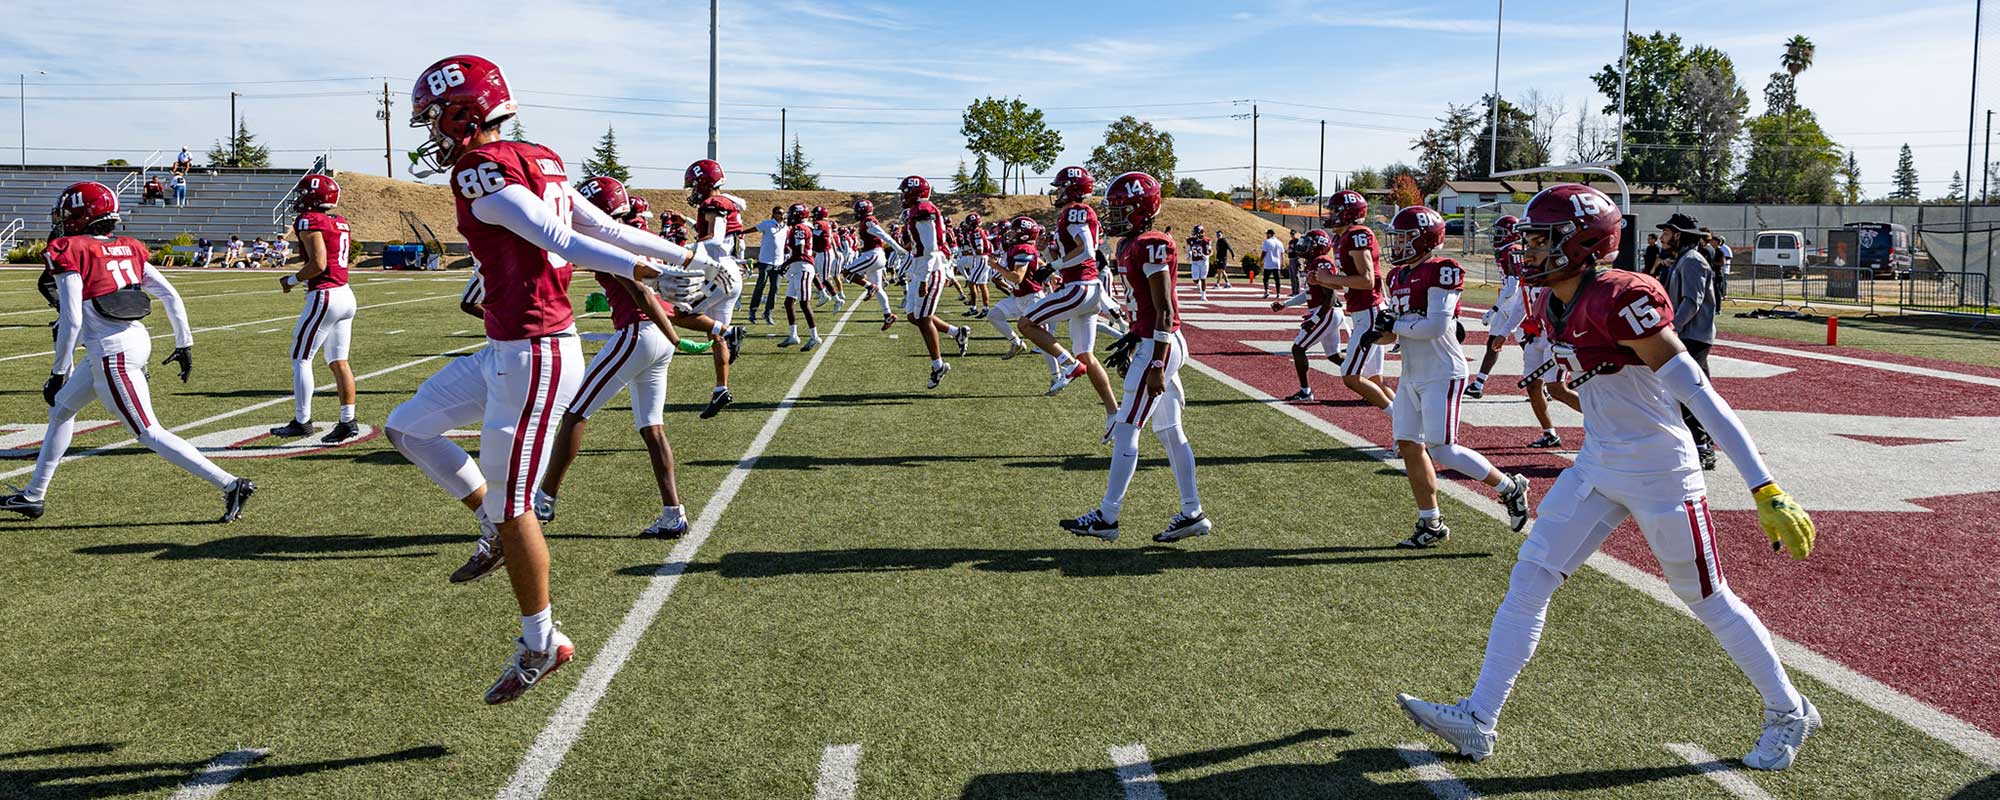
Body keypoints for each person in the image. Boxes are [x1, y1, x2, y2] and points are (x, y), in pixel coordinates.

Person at [1396, 183, 1821, 772]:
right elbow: (1595, 388)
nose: (1529, 250)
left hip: (1661, 472)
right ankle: (1479, 718)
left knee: (1706, 598)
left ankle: (1789, 709)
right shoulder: (1552, 302)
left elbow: (1699, 393)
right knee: (1531, 576)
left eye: (1542, 239)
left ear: (1582, 242)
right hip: (1598, 463)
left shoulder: (1623, 296)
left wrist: (1763, 486)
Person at [383, 54, 711, 706]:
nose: (430, 133)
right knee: (408, 428)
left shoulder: (480, 167)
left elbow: (560, 235)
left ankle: (541, 640)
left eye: (432, 119)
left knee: (516, 507)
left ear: (462, 112)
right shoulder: (537, 157)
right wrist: (682, 256)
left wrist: (657, 271)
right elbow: (598, 227)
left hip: (534, 355)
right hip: (507, 348)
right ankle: (490, 529)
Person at [0, 181, 255, 523]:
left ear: (79, 214)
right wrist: (184, 342)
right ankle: (33, 496)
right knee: (61, 410)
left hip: (111, 352)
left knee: (148, 431)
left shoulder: (70, 247)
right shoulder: (129, 247)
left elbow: (72, 318)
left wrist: (59, 370)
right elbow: (170, 295)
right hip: (127, 341)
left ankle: (230, 483)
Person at [1059, 171, 1209, 544]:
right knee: (1171, 431)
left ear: (1143, 208)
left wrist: (1156, 361)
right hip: (1152, 340)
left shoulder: (1154, 243)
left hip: (1159, 343)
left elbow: (1163, 309)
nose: (1114, 215)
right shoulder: (1131, 243)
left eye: (1122, 208)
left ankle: (1107, 517)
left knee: (1127, 427)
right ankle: (1192, 513)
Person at [533, 189, 694, 537]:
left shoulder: (616, 243)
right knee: (652, 428)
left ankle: (544, 500)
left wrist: (674, 336)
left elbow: (641, 292)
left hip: (637, 332)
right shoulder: (630, 235)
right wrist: (671, 337)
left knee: (576, 412)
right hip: (653, 337)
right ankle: (673, 513)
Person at [1373, 205, 1530, 548]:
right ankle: (1431, 522)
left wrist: (1394, 324)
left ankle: (1509, 487)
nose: (1396, 245)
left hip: (1443, 372)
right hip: (1413, 374)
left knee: (1442, 448)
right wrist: (1378, 332)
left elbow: (1437, 325)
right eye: (1395, 238)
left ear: (1425, 239)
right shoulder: (1396, 276)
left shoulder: (1442, 268)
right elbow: (1395, 334)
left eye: (1403, 238)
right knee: (1409, 444)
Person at [269, 174, 361, 444]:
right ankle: (347, 421)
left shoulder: (310, 220)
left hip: (325, 295)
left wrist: (291, 280)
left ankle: (302, 421)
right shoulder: (339, 221)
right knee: (339, 362)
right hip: (346, 294)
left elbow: (318, 264)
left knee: (300, 358)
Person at [1017, 166, 1113, 408]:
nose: (1058, 192)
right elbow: (1075, 254)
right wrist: (1051, 260)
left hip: (1080, 287)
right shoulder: (1074, 212)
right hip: (1087, 288)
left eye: (1061, 187)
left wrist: (1052, 267)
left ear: (1072, 189)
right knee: (1087, 355)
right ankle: (1114, 411)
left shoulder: (1076, 211)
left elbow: (1087, 250)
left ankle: (1068, 364)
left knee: (1026, 323)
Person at [1318, 191, 1394, 411]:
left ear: (1348, 213)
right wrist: (1324, 281)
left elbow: (1367, 280)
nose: (1330, 214)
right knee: (1375, 380)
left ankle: (1405, 427)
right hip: (1364, 310)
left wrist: (1329, 278)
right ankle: (1410, 431)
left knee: (1350, 376)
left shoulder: (1357, 234)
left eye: (1335, 210)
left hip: (1369, 311)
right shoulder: (1342, 237)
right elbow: (1348, 284)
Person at [897, 176, 973, 388]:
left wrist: (923, 278)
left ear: (914, 192)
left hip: (929, 268)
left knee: (923, 318)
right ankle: (957, 332)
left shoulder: (923, 210)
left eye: (905, 191)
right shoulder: (917, 210)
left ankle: (938, 365)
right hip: (921, 266)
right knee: (914, 316)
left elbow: (930, 248)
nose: (902, 195)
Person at [1659, 213, 1718, 470]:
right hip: (1689, 335)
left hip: (1692, 336)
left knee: (1688, 392)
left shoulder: (1692, 261)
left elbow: (1691, 301)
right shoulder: (1683, 260)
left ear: (1679, 235)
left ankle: (1702, 446)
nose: (1663, 236)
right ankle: (1697, 443)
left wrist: (1672, 328)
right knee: (1691, 393)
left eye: (1667, 232)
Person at [1272, 228, 1346, 401]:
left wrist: (1315, 319)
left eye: (1307, 243)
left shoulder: (1322, 262)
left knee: (1298, 349)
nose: (1302, 246)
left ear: (1318, 247)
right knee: (1334, 356)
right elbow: (1309, 294)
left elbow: (1331, 295)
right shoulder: (1314, 262)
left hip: (1326, 311)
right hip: (1325, 311)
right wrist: (1285, 304)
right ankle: (1365, 380)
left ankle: (1305, 392)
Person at [1466, 215, 1524, 399]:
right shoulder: (1506, 250)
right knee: (1493, 343)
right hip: (1507, 303)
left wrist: (1494, 309)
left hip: (1516, 305)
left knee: (1527, 345)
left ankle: (1544, 386)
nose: (1496, 236)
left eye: (1501, 233)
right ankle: (1478, 384)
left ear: (1512, 234)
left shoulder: (1513, 250)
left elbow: (1514, 285)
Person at [840, 198, 906, 331]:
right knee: (879, 289)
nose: (856, 213)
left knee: (847, 272)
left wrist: (899, 250)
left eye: (858, 211)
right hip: (873, 255)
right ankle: (888, 315)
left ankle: (870, 287)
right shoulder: (866, 222)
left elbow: (884, 236)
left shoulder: (868, 221)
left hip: (872, 255)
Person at [777, 203, 821, 349]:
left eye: (792, 214)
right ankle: (793, 335)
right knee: (789, 303)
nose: (789, 216)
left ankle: (815, 337)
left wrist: (784, 264)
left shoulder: (799, 228)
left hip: (803, 268)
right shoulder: (801, 228)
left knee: (804, 303)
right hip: (798, 268)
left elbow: (799, 252)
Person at [749, 205, 784, 325]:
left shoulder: (785, 227)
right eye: (779, 213)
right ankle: (753, 310)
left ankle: (768, 313)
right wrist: (741, 232)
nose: (782, 215)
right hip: (765, 261)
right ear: (774, 214)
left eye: (783, 213)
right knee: (760, 286)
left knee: (774, 289)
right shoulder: (767, 224)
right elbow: (754, 229)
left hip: (779, 263)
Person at [1187, 224, 1214, 300]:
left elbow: (1211, 251)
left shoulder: (1206, 241)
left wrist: (1208, 256)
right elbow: (1189, 249)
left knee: (1203, 278)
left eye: (1195, 232)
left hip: (1204, 262)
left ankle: (1203, 295)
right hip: (1195, 262)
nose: (1194, 233)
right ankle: (1197, 283)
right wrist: (1189, 254)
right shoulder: (1191, 240)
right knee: (1195, 279)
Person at [1259, 229, 1283, 298]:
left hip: (1269, 262)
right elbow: (1282, 253)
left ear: (1270, 234)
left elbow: (1264, 252)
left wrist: (1260, 260)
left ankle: (1266, 291)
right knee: (1277, 279)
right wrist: (1282, 262)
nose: (1266, 235)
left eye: (1267, 234)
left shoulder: (1267, 242)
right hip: (1277, 263)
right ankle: (1278, 293)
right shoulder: (1279, 242)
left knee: (1266, 278)